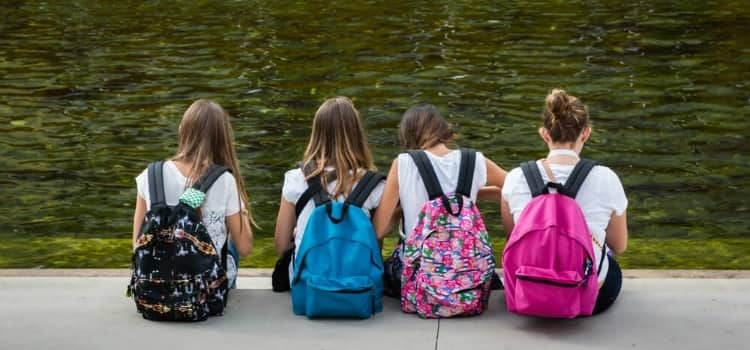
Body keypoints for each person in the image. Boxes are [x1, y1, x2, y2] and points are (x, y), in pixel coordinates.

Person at [501, 89, 628, 314]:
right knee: (611, 262)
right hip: (587, 294)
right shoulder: (606, 177)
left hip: (529, 288)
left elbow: (514, 237)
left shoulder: (516, 177)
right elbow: (619, 245)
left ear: (544, 134)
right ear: (586, 133)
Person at [373, 104, 507, 296]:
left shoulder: (402, 163)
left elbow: (379, 229)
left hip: (420, 279)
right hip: (466, 273)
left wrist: (403, 209)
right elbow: (519, 187)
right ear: (444, 129)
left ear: (407, 135)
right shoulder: (475, 160)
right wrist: (474, 195)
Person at [132, 99, 254, 288]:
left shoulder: (150, 176)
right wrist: (242, 208)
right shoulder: (225, 180)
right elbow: (245, 248)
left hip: (155, 291)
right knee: (232, 248)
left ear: (183, 130)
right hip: (204, 293)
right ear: (223, 139)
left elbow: (137, 244)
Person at [274, 96, 385, 284]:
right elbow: (374, 246)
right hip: (357, 283)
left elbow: (281, 245)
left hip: (308, 282)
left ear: (316, 134)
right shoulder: (374, 185)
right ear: (357, 135)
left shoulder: (295, 179)